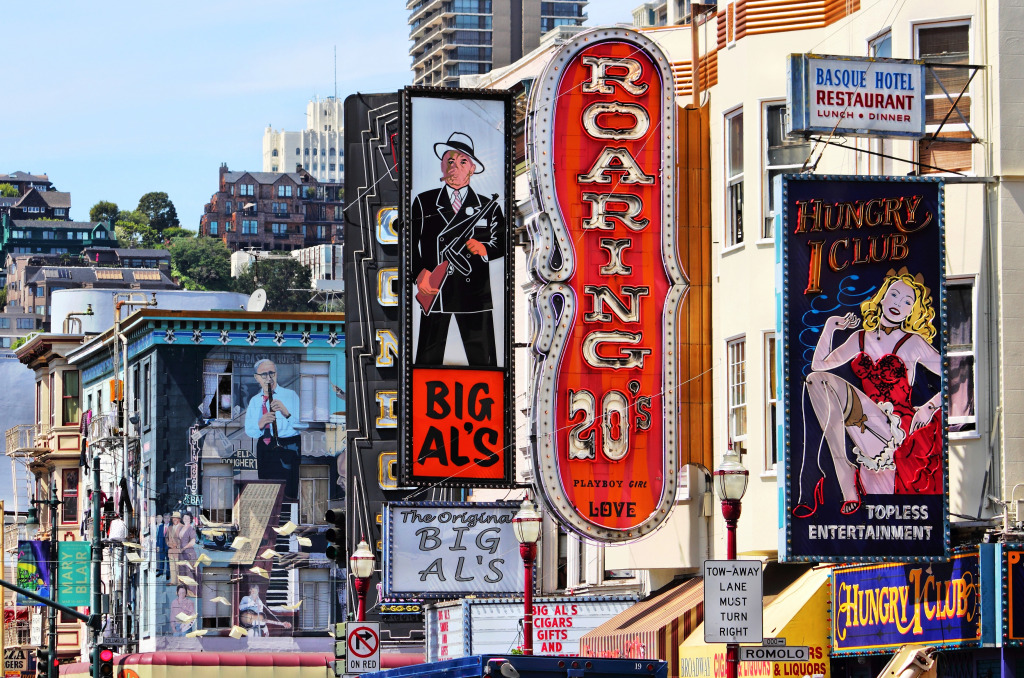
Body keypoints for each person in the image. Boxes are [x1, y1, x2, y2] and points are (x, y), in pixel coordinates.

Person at [795, 268, 942, 517]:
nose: (898, 304)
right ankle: (843, 471)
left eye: (907, 302)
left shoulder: (914, 342)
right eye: (894, 295)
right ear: (881, 298)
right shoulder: (860, 338)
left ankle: (843, 475)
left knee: (820, 382)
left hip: (897, 427)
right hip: (864, 423)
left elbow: (955, 375)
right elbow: (818, 366)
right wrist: (830, 327)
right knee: (815, 381)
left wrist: (928, 407)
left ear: (912, 312)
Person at [411, 131, 505, 367]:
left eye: (463, 162)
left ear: (472, 169)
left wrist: (483, 248)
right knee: (426, 367)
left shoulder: (488, 206)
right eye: (450, 160)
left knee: (485, 367)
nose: (455, 167)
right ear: (442, 166)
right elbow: (409, 243)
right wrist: (419, 274)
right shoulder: (424, 202)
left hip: (475, 295)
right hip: (436, 292)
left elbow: (502, 243)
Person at [244, 359, 302, 499]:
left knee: (289, 488)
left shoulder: (290, 395)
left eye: (272, 373)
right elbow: (249, 430)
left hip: (289, 445)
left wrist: (286, 413)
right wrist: (260, 424)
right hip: (265, 446)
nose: (268, 378)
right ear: (256, 378)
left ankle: (288, 511)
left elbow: (301, 426)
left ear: (276, 374)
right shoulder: (255, 400)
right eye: (264, 374)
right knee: (266, 486)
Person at [177, 512, 198, 587]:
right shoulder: (181, 528)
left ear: (190, 519)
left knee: (189, 573)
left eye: (187, 518)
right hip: (181, 554)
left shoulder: (191, 529)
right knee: (182, 573)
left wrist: (184, 548)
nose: (186, 519)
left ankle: (190, 590)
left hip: (189, 554)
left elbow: (193, 542)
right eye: (184, 518)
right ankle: (183, 590)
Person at [166, 512, 182, 585]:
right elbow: (166, 538)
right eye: (173, 518)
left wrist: (178, 545)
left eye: (176, 518)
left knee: (178, 567)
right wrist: (168, 544)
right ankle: (173, 581)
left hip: (178, 551)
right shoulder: (169, 528)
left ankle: (179, 582)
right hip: (171, 550)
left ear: (179, 519)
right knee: (172, 566)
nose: (174, 519)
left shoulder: (182, 527)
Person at [155, 513, 170, 579]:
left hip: (168, 546)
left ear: (169, 519)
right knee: (161, 559)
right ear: (163, 519)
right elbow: (158, 536)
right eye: (165, 518)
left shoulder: (171, 527)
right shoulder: (160, 526)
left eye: (168, 518)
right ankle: (160, 572)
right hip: (161, 545)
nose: (166, 519)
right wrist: (157, 545)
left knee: (168, 560)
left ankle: (168, 574)